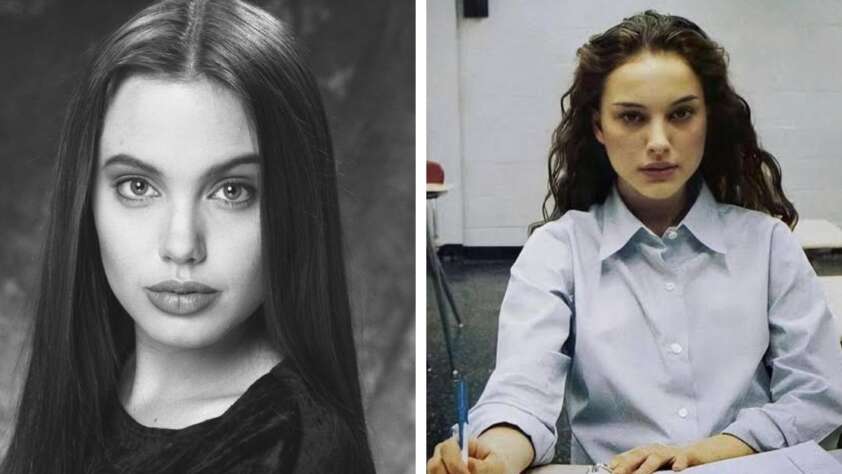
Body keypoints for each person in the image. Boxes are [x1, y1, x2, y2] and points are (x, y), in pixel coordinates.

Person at [428, 10, 842, 474]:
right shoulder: (558, 251)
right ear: (599, 127)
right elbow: (523, 390)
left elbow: (817, 395)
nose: (659, 141)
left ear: (709, 118)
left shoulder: (767, 245)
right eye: (631, 117)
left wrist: (708, 451)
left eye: (682, 113)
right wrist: (495, 455)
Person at [1, 0, 375, 472]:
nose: (181, 245)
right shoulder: (83, 387)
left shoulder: (294, 449)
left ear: (294, 207)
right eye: (138, 187)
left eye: (232, 191)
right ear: (85, 199)